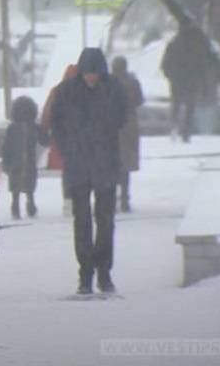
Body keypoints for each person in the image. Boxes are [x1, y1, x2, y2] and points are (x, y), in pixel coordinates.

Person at [50, 48, 127, 295]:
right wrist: (67, 150)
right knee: (81, 221)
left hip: (105, 162)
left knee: (106, 221)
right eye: (87, 73)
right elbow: (56, 123)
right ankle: (85, 273)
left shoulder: (114, 89)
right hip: (79, 164)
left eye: (94, 73)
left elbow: (123, 118)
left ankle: (104, 272)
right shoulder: (66, 92)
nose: (91, 78)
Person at [2, 95, 49, 219]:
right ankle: (16, 205)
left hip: (28, 161)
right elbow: (6, 146)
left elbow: (44, 140)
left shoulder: (33, 127)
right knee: (16, 186)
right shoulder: (13, 128)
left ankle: (30, 203)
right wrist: (6, 162)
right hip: (16, 162)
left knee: (29, 185)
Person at [41, 64, 78, 216]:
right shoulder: (84, 92)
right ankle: (79, 198)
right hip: (80, 137)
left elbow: (47, 112)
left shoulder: (57, 91)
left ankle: (68, 200)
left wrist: (44, 130)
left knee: (68, 170)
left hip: (63, 136)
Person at [162, 24, 209, 142]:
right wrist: (202, 81)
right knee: (190, 107)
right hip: (192, 81)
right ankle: (186, 133)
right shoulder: (198, 46)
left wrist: (171, 76)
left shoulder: (174, 44)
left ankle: (174, 129)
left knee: (176, 105)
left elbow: (165, 64)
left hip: (177, 80)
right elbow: (202, 65)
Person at [111, 56, 144, 213]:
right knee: (126, 162)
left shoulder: (106, 82)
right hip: (128, 124)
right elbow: (139, 101)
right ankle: (124, 197)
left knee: (110, 162)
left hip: (109, 125)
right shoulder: (133, 82)